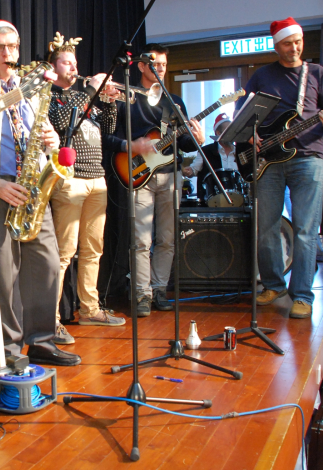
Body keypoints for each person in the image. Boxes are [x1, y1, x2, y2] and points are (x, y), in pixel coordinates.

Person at [0, 19, 81, 366]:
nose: (9, 53)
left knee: (48, 265)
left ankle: (42, 340)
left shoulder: (29, 85)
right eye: (1, 47)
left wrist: (52, 144)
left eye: (14, 46)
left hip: (33, 187)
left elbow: (37, 130)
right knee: (3, 276)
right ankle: (8, 350)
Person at [238, 17, 323, 319]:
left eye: (298, 41)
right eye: (287, 43)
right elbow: (243, 116)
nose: (294, 47)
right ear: (276, 46)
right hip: (268, 161)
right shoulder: (262, 76)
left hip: (308, 159)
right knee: (266, 225)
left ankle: (303, 296)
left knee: (307, 230)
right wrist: (250, 134)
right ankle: (273, 284)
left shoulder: (317, 73)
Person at [104, 43, 205, 317]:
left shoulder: (174, 102)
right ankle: (141, 294)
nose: (159, 68)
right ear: (140, 66)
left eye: (162, 64)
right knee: (140, 241)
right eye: (153, 63)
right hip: (138, 175)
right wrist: (132, 146)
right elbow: (107, 138)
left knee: (168, 239)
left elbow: (184, 143)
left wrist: (197, 139)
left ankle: (159, 289)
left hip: (170, 176)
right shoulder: (126, 96)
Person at [45, 33, 125, 345]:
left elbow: (107, 130)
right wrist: (92, 92)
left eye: (75, 63)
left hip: (97, 178)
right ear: (54, 67)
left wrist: (111, 102)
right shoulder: (52, 99)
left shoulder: (85, 98)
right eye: (66, 62)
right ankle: (50, 319)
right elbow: (64, 122)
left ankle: (90, 308)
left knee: (94, 249)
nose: (73, 67)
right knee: (64, 253)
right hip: (69, 179)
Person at [182, 113, 238, 204]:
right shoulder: (205, 151)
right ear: (218, 133)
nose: (232, 133)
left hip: (238, 202)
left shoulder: (239, 152)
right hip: (212, 203)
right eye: (228, 130)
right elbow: (193, 170)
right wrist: (185, 170)